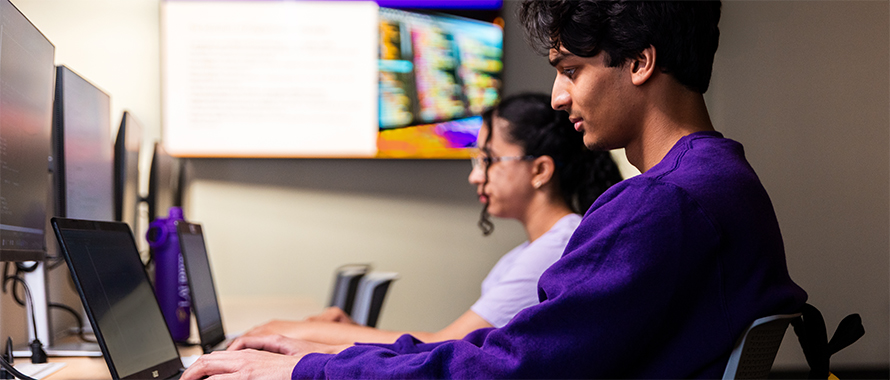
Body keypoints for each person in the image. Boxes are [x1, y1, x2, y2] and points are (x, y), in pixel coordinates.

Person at [182, 1, 808, 378]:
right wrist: (318, 358)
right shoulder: (724, 182)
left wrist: (307, 368)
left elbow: (511, 368)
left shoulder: (663, 203)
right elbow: (518, 353)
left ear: (640, 62)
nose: (560, 96)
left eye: (571, 71)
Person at [237, 93, 623, 345]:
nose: (475, 175)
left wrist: (290, 332)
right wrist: (342, 335)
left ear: (540, 170)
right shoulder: (534, 248)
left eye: (487, 160)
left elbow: (444, 345)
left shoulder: (556, 247)